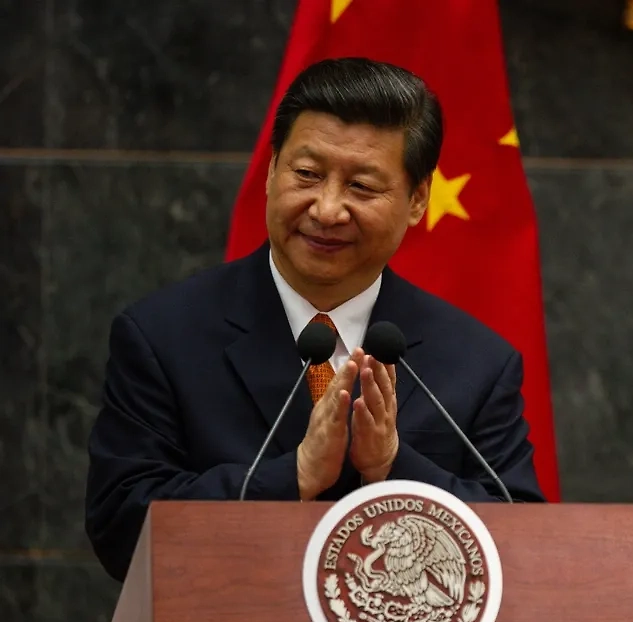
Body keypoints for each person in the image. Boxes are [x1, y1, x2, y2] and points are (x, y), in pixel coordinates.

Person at [84, 57, 546, 583]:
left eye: (362, 187)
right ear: (271, 171)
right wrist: (295, 474)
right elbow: (121, 529)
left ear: (418, 200)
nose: (326, 210)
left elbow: (525, 544)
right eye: (306, 175)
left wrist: (394, 468)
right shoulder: (163, 336)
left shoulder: (477, 362)